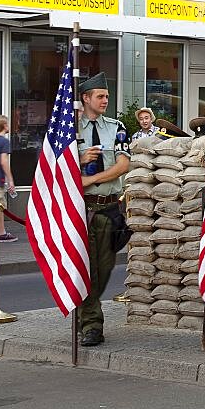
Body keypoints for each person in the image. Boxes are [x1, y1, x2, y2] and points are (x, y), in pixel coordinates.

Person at [76, 72, 130, 347]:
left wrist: (92, 178)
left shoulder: (116, 127)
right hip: (81, 210)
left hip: (108, 208)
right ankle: (91, 324)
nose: (105, 100)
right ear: (86, 98)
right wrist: (80, 160)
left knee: (105, 269)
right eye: (100, 96)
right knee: (88, 270)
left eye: (107, 96)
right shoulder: (72, 129)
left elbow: (122, 166)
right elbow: (54, 168)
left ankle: (83, 309)